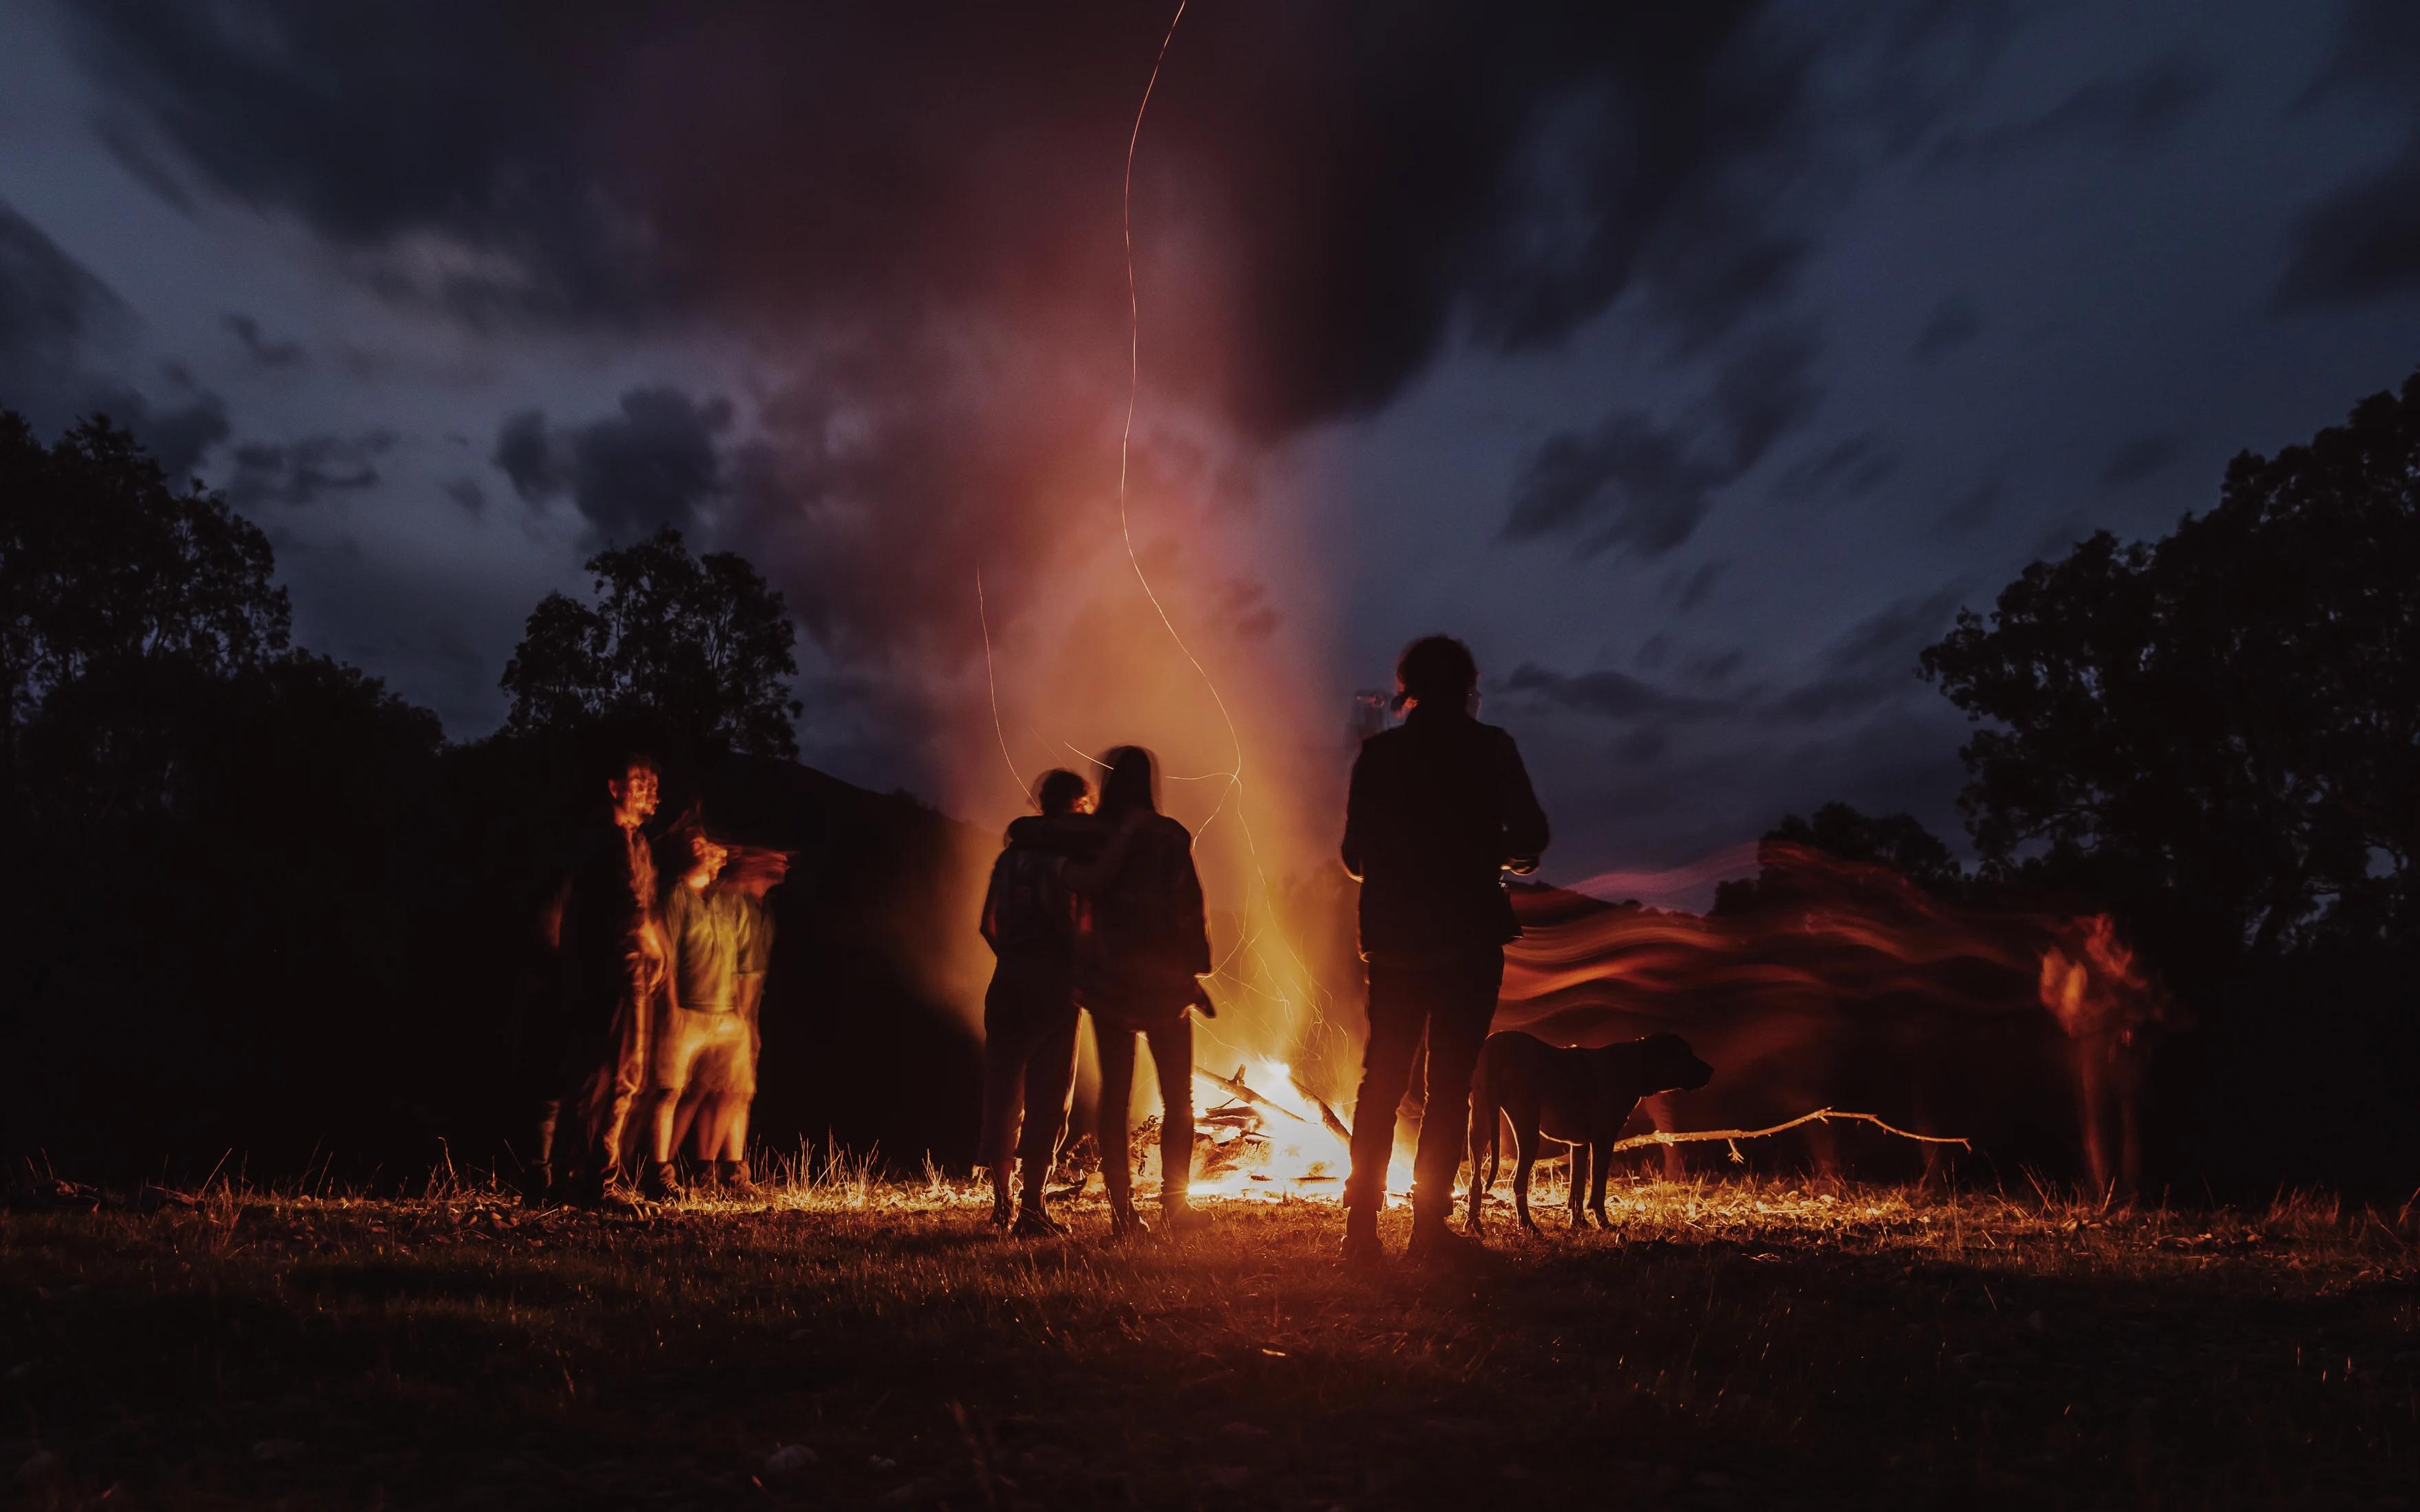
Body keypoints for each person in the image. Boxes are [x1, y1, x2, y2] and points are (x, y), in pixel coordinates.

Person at [1339, 635, 1548, 1265]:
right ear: (1467, 686)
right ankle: (1429, 1228)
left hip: (1396, 941)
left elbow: (1353, 858)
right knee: (1450, 1084)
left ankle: (1361, 1232)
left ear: (1408, 687)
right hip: (1468, 939)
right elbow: (1533, 836)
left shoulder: (1378, 756)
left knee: (1381, 1081)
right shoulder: (1492, 749)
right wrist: (1498, 853)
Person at [1084, 746, 1213, 1237]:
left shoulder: (1096, 836)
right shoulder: (1171, 836)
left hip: (1108, 980)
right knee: (1179, 1098)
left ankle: (1123, 1213)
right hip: (1164, 983)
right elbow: (1190, 907)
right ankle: (1175, 1207)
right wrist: (1194, 972)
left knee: (1114, 1097)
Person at [540, 751, 669, 1210]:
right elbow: (623, 905)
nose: (651, 790)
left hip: (630, 975)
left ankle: (593, 1178)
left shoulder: (637, 844)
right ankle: (580, 1181)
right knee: (600, 1075)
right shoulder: (603, 841)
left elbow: (645, 904)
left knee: (627, 1078)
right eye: (640, 781)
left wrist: (654, 949)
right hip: (605, 974)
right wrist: (646, 940)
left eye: (654, 782)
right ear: (615, 787)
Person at [976, 769, 1097, 1236]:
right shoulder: (1063, 858)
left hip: (1006, 980)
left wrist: (1012, 957)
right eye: (1086, 805)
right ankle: (1031, 1208)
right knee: (1049, 1096)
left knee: (1003, 1092)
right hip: (1052, 983)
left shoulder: (1009, 859)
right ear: (1075, 804)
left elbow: (988, 924)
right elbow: (1073, 925)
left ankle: (1000, 1204)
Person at [639, 826, 773, 1199]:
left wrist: (744, 1016)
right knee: (670, 1090)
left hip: (726, 1014)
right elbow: (667, 959)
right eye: (708, 849)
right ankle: (659, 1174)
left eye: (716, 849)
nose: (717, 855)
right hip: (688, 1013)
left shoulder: (725, 902)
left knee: (738, 1090)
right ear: (692, 852)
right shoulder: (677, 898)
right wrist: (671, 1010)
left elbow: (740, 964)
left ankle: (734, 1175)